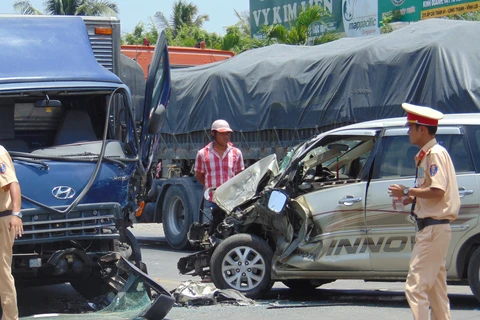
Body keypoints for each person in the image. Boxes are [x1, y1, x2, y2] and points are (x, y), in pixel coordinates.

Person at [388, 103, 460, 320]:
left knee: (415, 287)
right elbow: (432, 192)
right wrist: (410, 197)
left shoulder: (435, 154)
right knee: (436, 292)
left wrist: (408, 190)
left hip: (432, 230)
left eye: (410, 126)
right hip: (433, 229)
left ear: (423, 129)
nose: (408, 130)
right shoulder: (429, 154)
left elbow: (438, 190)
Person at [195, 119, 244, 233]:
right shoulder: (202, 154)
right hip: (211, 201)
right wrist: (211, 188)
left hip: (231, 201)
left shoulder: (236, 153)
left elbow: (239, 176)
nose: (226, 136)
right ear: (213, 133)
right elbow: (199, 175)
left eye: (228, 133)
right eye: (222, 133)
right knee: (208, 233)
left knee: (233, 233)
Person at [0, 145, 23, 320]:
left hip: (2, 218)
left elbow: (12, 183)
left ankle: (10, 317)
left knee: (2, 272)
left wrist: (16, 214)